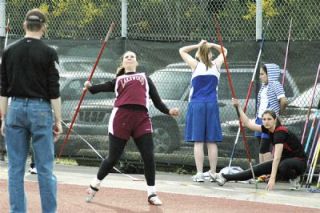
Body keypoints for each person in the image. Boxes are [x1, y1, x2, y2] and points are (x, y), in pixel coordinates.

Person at [84, 51, 179, 205]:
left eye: (132, 56)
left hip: (141, 119)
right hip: (121, 118)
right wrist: (89, 86)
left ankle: (152, 194)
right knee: (113, 157)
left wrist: (168, 111)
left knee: (148, 155)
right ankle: (94, 185)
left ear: (136, 62)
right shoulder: (118, 79)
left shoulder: (145, 78)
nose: (129, 58)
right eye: (126, 57)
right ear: (123, 63)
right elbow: (96, 89)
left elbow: (157, 101)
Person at [0, 8, 62, 212]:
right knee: (44, 168)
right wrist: (58, 121)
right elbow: (54, 91)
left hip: (15, 108)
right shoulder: (49, 52)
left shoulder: (9, 51)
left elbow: (3, 88)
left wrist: (3, 117)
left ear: (25, 25)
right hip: (40, 108)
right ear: (43, 27)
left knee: (15, 169)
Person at [215, 98, 306, 190]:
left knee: (284, 166)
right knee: (256, 170)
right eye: (264, 119)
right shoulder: (268, 129)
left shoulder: (280, 133)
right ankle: (225, 177)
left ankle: (295, 178)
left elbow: (277, 158)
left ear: (275, 120)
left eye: (269, 119)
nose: (266, 121)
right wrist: (238, 107)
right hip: (284, 160)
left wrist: (272, 178)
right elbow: (247, 123)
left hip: (299, 162)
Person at [179, 40, 227, 182]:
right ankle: (213, 172)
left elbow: (182, 50)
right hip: (211, 104)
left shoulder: (195, 65)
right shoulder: (216, 65)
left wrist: (198, 45)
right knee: (211, 141)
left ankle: (200, 173)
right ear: (211, 55)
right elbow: (224, 51)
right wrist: (211, 44)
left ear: (198, 55)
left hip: (197, 104)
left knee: (198, 141)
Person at [255, 63, 287, 163]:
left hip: (268, 121)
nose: (260, 77)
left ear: (270, 74)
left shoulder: (275, 84)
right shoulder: (264, 86)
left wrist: (278, 114)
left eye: (262, 74)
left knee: (264, 147)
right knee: (261, 147)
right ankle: (261, 173)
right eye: (260, 74)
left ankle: (268, 172)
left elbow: (284, 101)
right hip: (260, 119)